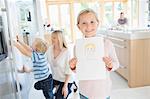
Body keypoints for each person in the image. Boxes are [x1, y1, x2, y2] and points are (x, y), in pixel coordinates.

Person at [69, 9, 119, 99]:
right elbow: (78, 70)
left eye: (92, 22)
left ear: (98, 23)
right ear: (78, 26)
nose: (88, 26)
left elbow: (116, 64)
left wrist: (111, 65)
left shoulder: (107, 43)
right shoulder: (77, 47)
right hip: (85, 91)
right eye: (84, 23)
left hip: (103, 91)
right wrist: (73, 67)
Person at [45, 30, 77, 99]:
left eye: (54, 38)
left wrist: (65, 86)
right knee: (46, 90)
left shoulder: (66, 52)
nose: (52, 39)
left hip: (65, 79)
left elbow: (69, 71)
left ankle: (71, 85)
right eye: (52, 37)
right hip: (55, 78)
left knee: (59, 97)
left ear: (60, 39)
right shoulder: (49, 49)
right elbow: (44, 61)